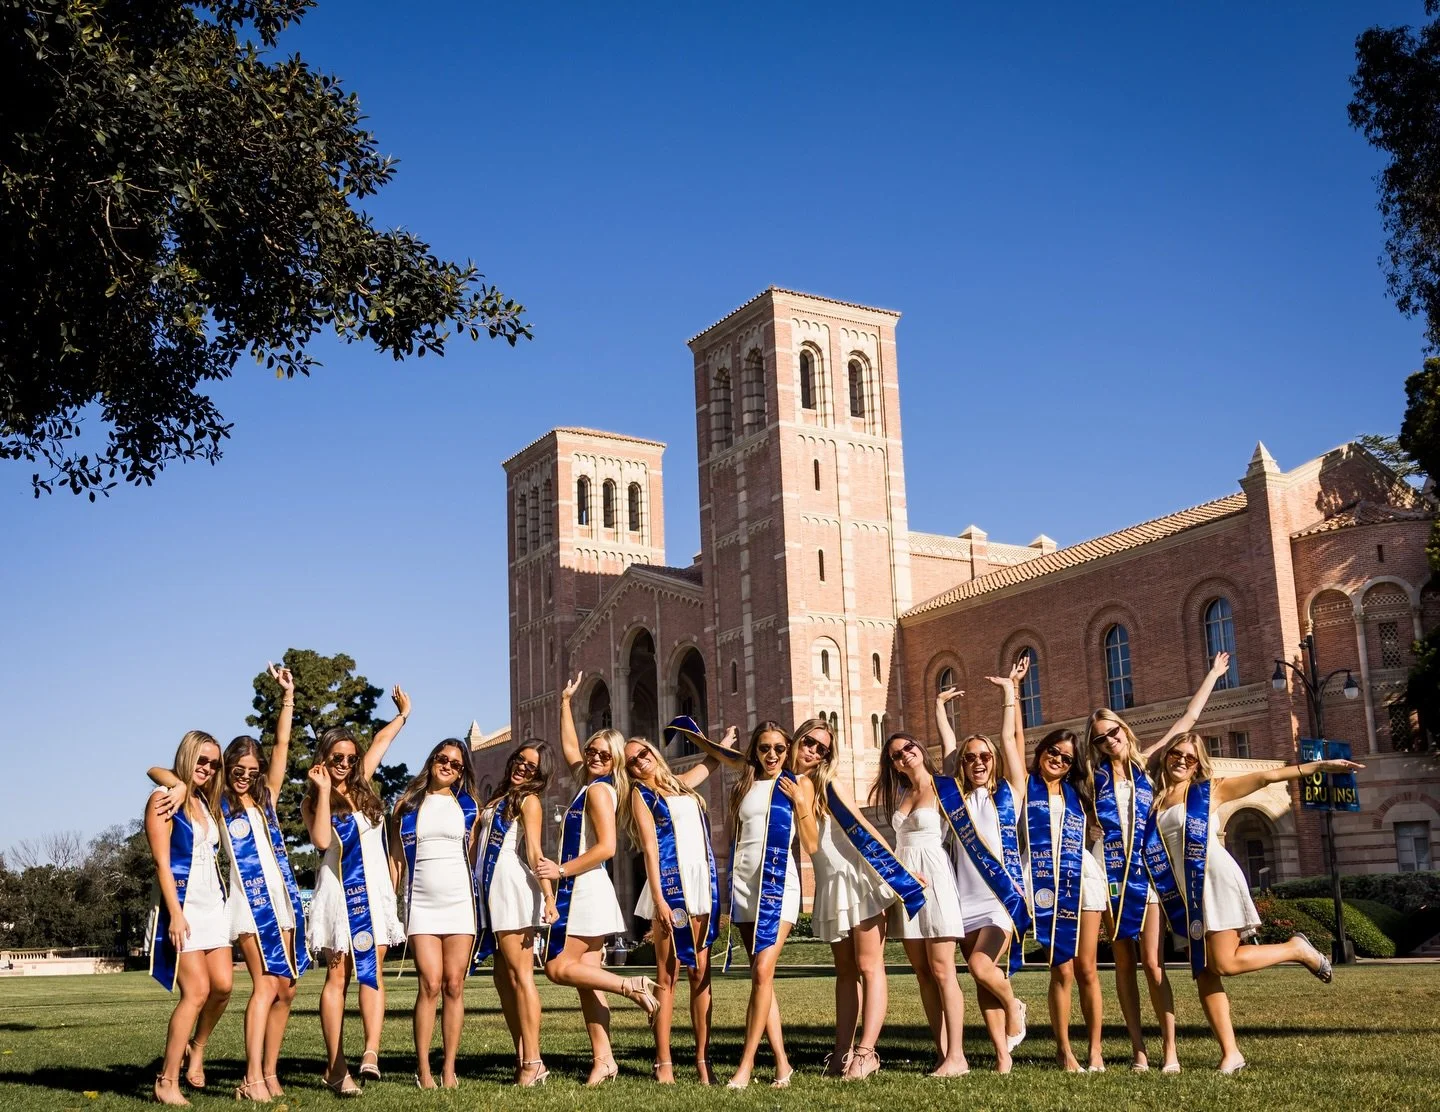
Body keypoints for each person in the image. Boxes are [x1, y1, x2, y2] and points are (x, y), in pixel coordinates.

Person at [1149, 732, 1356, 1073]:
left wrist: (1318, 766)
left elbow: (1266, 777)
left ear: (1199, 762)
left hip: (1214, 879)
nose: (1182, 760)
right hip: (1182, 892)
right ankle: (1231, 1053)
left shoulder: (1208, 790)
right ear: (1167, 755)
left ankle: (1295, 949)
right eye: (1177, 753)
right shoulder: (1155, 800)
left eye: (1190, 756)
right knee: (1204, 971)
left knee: (1224, 963)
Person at [149, 665, 307, 1101]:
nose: (243, 774)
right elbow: (154, 770)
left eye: (249, 769)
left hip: (267, 903)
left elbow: (282, 745)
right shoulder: (214, 800)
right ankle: (231, 1076)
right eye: (234, 767)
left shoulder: (264, 796)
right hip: (236, 905)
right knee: (246, 988)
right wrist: (178, 783)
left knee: (244, 988)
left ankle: (216, 1058)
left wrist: (287, 698)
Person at [1084, 651, 1231, 1072]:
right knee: (1123, 965)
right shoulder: (1092, 781)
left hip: (1147, 877)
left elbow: (1187, 720)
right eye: (1099, 738)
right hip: (1111, 877)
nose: (1108, 740)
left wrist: (1213, 675)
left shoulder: (1147, 766)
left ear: (1123, 730)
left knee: (1153, 961)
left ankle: (1170, 1050)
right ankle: (1138, 1051)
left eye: (1111, 732)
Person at [537, 675, 659, 1086]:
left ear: (615, 762)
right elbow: (570, 747)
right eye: (593, 751)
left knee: (557, 967)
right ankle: (604, 1059)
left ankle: (632, 985)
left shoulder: (599, 793)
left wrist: (561, 871)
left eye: (604, 755)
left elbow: (607, 847)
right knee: (586, 981)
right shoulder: (588, 783)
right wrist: (565, 702)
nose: (593, 756)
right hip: (586, 886)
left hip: (584, 887)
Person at [789, 717, 924, 1080]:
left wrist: (898, 869)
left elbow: (859, 828)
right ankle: (841, 1053)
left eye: (821, 748)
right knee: (845, 973)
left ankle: (867, 1053)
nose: (813, 752)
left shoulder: (825, 782)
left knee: (869, 966)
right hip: (831, 884)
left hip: (859, 877)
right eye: (809, 743)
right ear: (797, 741)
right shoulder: (784, 784)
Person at [303, 687, 411, 1097]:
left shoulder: (364, 783)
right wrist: (327, 790)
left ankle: (371, 1052)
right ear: (324, 759)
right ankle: (335, 1065)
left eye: (351, 758)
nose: (346, 764)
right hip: (337, 893)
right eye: (338, 759)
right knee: (338, 975)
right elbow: (319, 841)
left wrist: (404, 714)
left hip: (375, 890)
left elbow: (381, 741)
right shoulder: (314, 799)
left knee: (373, 972)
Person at [685, 721, 800, 1090]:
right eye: (765, 748)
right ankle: (782, 1064)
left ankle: (745, 1066)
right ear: (756, 751)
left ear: (788, 750)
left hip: (780, 884)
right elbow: (723, 758)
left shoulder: (796, 784)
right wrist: (715, 743)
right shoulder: (746, 784)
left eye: (779, 749)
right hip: (746, 885)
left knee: (763, 971)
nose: (772, 755)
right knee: (761, 978)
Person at [934, 664, 1030, 1073]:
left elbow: (1009, 738)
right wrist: (939, 707)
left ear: (993, 761)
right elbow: (948, 745)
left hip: (999, 902)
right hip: (963, 902)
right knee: (981, 977)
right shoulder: (954, 799)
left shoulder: (1010, 792)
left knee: (979, 965)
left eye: (984, 756)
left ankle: (1015, 1004)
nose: (978, 761)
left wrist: (1010, 693)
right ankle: (1003, 1056)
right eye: (971, 757)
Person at [624, 722, 726, 1085]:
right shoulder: (640, 795)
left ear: (654, 752)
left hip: (701, 883)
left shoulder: (679, 784)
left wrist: (721, 744)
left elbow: (710, 764)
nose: (639, 762)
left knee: (701, 972)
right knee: (668, 977)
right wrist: (659, 900)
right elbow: (650, 849)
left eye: (643, 753)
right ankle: (663, 1062)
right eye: (631, 761)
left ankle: (702, 1059)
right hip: (671, 886)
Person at [870, 731, 969, 1077]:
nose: (904, 756)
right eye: (896, 755)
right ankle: (942, 1052)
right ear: (893, 766)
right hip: (907, 883)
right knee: (923, 973)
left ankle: (958, 1055)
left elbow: (955, 750)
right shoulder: (902, 793)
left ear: (921, 749)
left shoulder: (945, 786)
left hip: (936, 877)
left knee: (943, 969)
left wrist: (940, 709)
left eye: (909, 748)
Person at [145, 730, 232, 1107]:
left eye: (214, 764)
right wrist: (176, 915)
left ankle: (196, 1049)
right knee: (195, 992)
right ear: (187, 757)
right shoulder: (163, 800)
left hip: (213, 905)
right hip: (182, 907)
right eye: (202, 761)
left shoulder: (202, 801)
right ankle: (166, 1080)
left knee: (224, 987)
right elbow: (162, 862)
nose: (208, 769)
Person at [390, 738, 482, 1090]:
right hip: (422, 903)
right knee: (429, 983)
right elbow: (397, 859)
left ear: (462, 772)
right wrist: (388, 899)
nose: (448, 766)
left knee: (454, 986)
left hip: (460, 901)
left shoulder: (469, 806)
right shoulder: (408, 804)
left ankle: (449, 1069)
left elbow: (473, 854)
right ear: (431, 761)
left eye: (456, 764)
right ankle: (424, 1069)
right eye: (442, 759)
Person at [1021, 728, 1105, 1071]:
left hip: (1082, 878)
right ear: (1041, 751)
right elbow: (1010, 742)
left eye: (1066, 758)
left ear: (1073, 766)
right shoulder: (1023, 786)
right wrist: (1012, 692)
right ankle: (1064, 1050)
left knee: (1088, 969)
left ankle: (1095, 1050)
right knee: (1063, 970)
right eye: (1053, 752)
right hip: (1046, 882)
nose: (1057, 759)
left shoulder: (1078, 794)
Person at [474, 742, 557, 1087]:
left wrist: (549, 897)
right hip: (488, 888)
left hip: (508, 885)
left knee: (521, 976)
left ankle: (534, 1060)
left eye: (531, 767)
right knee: (501, 977)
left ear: (540, 775)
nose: (522, 768)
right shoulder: (499, 798)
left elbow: (535, 850)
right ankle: (523, 1053)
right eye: (520, 760)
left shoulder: (529, 801)